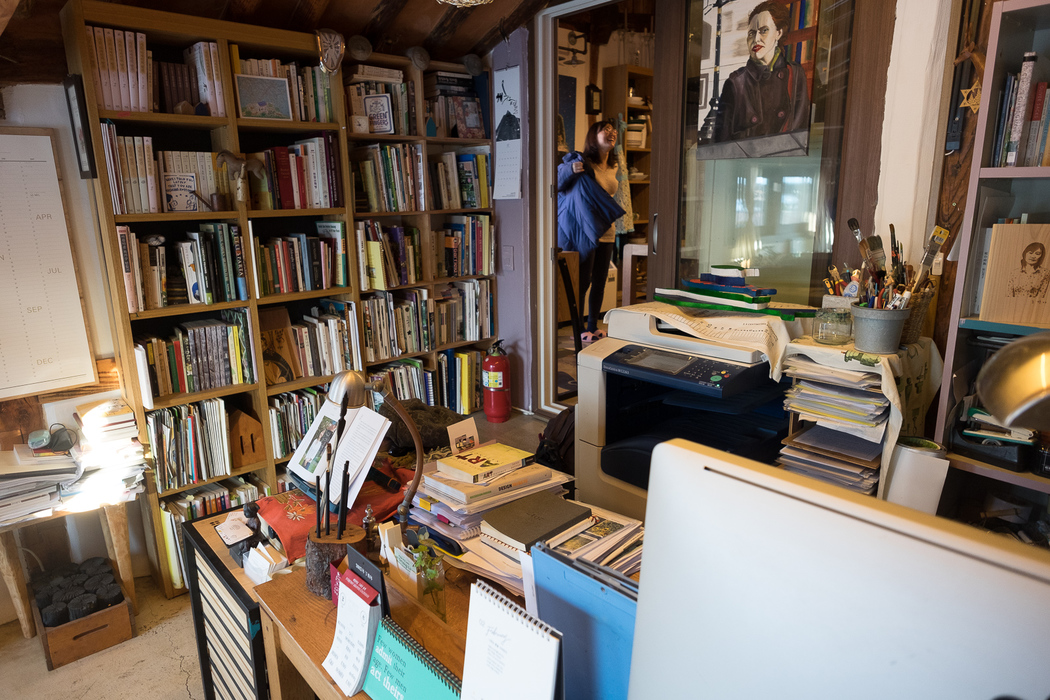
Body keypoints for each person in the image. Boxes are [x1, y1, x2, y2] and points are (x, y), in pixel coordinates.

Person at [557, 120, 626, 342]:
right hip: (586, 232)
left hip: (607, 232)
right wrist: (570, 169)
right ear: (592, 137)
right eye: (604, 130)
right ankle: (578, 328)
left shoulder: (615, 167)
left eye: (613, 130)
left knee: (600, 282)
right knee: (583, 281)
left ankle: (592, 326)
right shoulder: (583, 163)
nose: (611, 133)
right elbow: (557, 182)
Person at [714, 1, 811, 143]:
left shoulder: (795, 74)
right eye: (751, 33)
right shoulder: (735, 83)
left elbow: (801, 130)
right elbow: (720, 143)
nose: (756, 39)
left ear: (778, 33)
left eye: (764, 30)